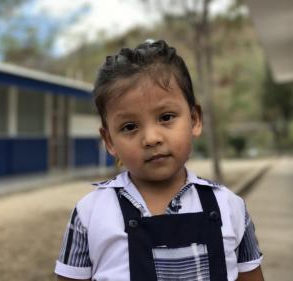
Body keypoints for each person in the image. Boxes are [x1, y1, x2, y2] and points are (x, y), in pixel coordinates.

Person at [55, 40, 264, 281]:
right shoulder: (89, 214)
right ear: (109, 140)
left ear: (195, 119)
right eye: (129, 126)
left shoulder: (231, 207)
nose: (151, 138)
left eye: (166, 117)